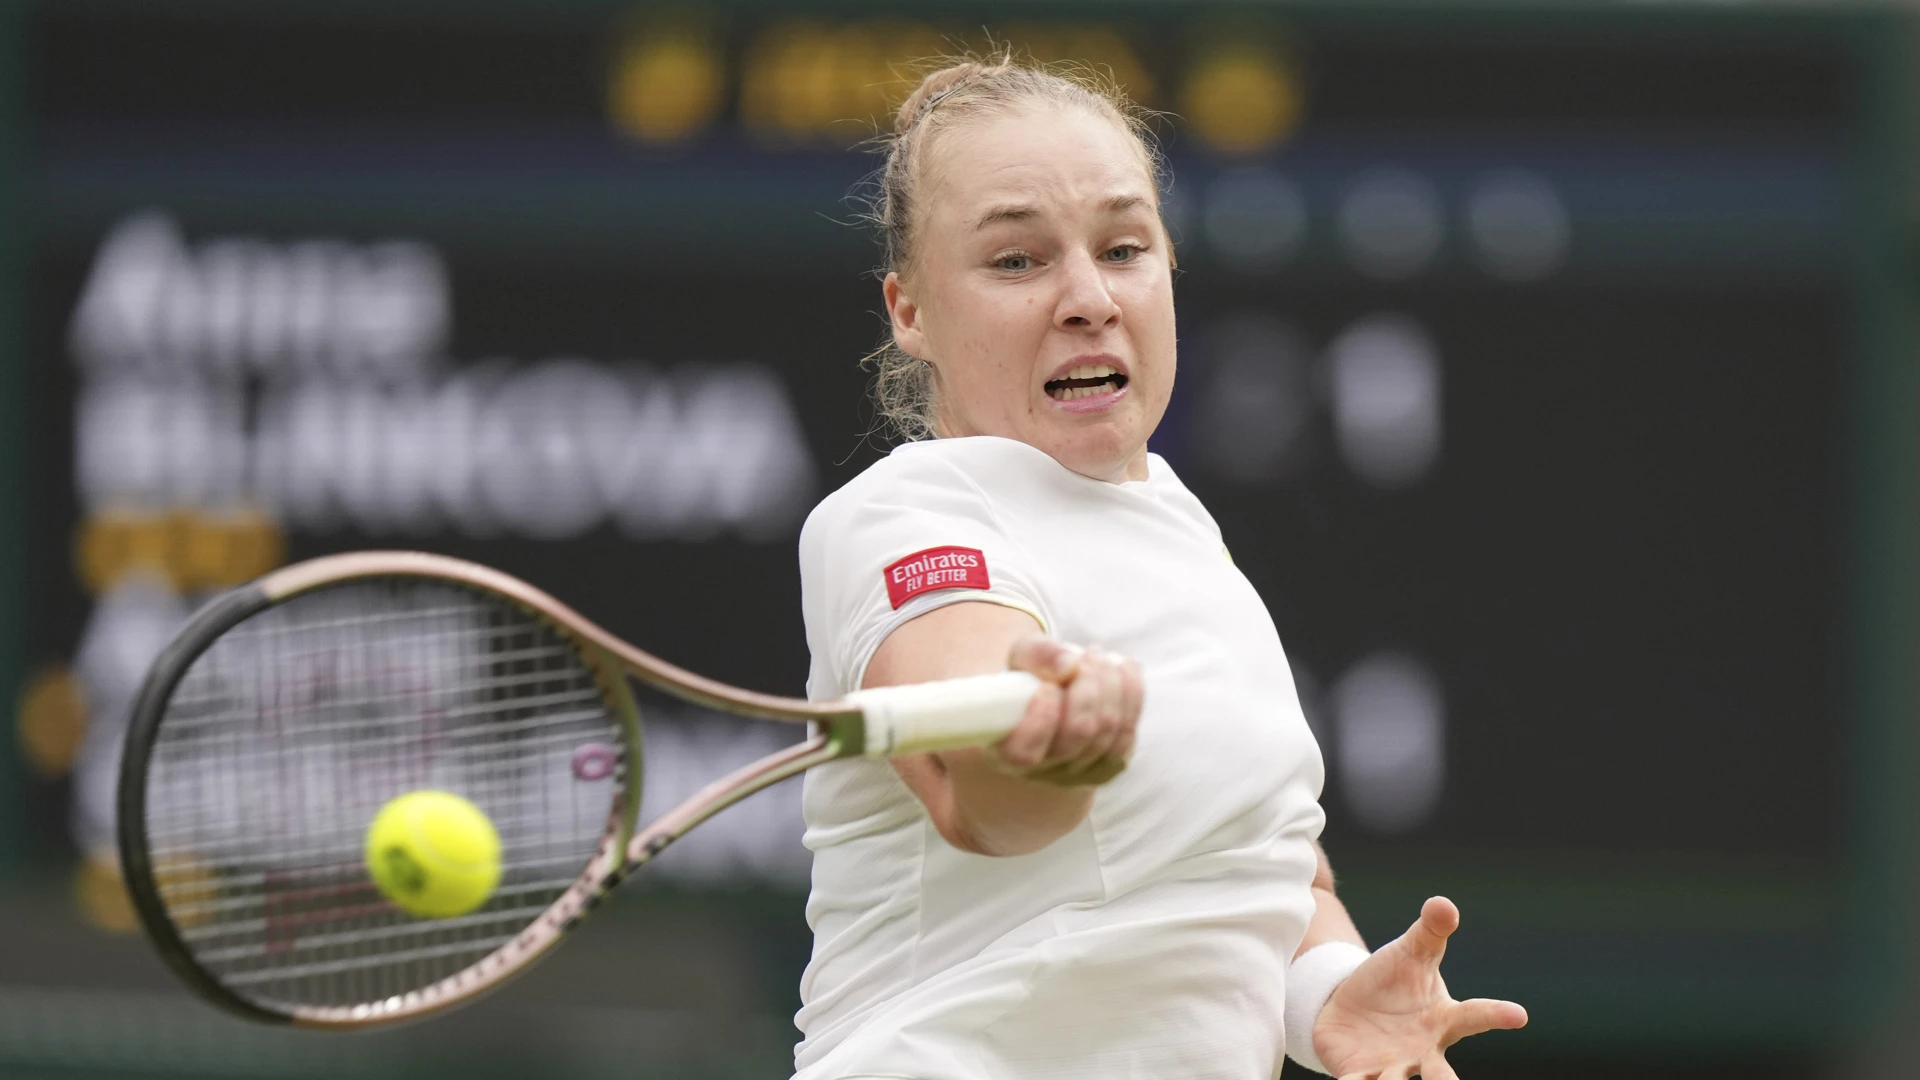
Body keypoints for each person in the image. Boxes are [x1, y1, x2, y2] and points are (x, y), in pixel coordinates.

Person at [793, 55, 1526, 1080]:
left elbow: (1263, 862)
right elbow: (982, 790)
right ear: (909, 311)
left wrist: (1327, 990)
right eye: (1017, 261)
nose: (1088, 296)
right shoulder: (905, 517)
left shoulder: (1183, 533)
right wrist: (1047, 752)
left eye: (1124, 247)